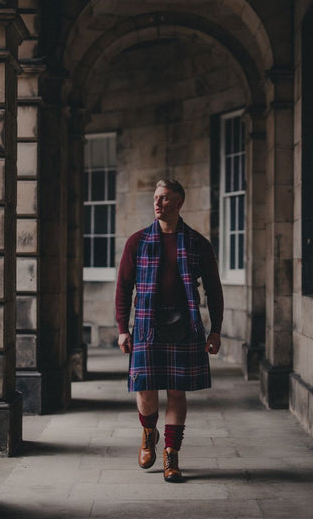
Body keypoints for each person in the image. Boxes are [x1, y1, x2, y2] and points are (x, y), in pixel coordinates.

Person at [115, 179, 223, 483]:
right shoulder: (137, 242)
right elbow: (123, 288)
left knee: (177, 392)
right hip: (147, 325)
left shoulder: (198, 244)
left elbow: (214, 290)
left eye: (163, 199)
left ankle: (171, 457)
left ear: (178, 203)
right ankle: (149, 434)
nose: (157, 203)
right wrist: (123, 328)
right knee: (145, 389)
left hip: (186, 326)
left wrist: (216, 330)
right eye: (155, 198)